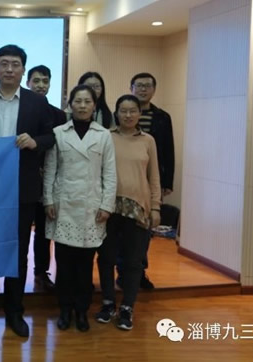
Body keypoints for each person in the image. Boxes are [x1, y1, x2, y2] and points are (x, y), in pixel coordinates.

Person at [0, 45, 55, 338]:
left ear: (22, 70)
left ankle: (14, 310)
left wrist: (35, 141)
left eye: (15, 64)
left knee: (18, 251)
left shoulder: (37, 103)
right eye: (3, 64)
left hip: (22, 188)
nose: (9, 69)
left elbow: (50, 136)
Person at [44, 84, 116, 332]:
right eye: (78, 101)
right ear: (70, 104)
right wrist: (48, 200)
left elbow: (110, 174)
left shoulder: (103, 135)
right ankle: (64, 310)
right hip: (63, 205)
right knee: (64, 265)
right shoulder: (58, 133)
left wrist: (107, 205)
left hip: (91, 208)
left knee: (85, 266)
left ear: (94, 105)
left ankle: (81, 311)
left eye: (87, 101)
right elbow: (50, 170)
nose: (82, 106)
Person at [96, 95, 161, 331]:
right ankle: (108, 302)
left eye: (133, 110)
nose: (128, 115)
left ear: (139, 114)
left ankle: (127, 307)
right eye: (123, 110)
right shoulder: (106, 137)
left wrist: (155, 206)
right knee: (106, 257)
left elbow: (154, 177)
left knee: (133, 261)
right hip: (108, 207)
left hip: (138, 208)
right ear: (116, 113)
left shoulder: (148, 141)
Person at [127, 72, 175, 289]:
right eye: (139, 85)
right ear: (131, 88)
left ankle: (139, 271)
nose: (143, 89)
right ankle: (124, 271)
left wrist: (166, 183)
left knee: (144, 230)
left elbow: (168, 151)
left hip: (150, 182)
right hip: (127, 180)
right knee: (124, 231)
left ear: (154, 90)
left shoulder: (162, 117)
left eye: (147, 86)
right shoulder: (123, 112)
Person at [27, 64, 67, 290]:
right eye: (36, 81)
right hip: (23, 180)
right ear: (28, 83)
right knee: (21, 230)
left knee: (44, 230)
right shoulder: (20, 109)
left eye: (45, 81)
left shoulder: (59, 115)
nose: (41, 85)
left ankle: (41, 272)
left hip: (49, 181)